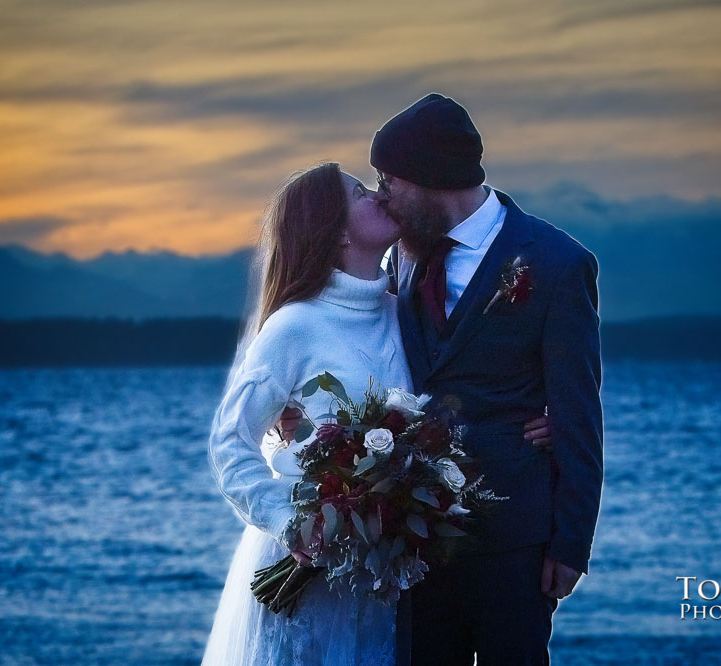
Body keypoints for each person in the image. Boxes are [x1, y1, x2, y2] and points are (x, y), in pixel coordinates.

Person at [201, 162, 552, 665]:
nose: (380, 197)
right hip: (313, 570)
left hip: (389, 577)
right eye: (360, 193)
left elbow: (463, 385)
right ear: (337, 232)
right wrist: (289, 521)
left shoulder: (404, 311)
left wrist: (545, 414)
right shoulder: (295, 326)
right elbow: (229, 443)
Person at [372, 93, 604, 665]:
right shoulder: (400, 256)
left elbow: (578, 412)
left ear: (430, 179)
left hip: (516, 538)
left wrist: (572, 542)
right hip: (417, 537)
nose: (382, 196)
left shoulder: (556, 263)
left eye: (389, 180)